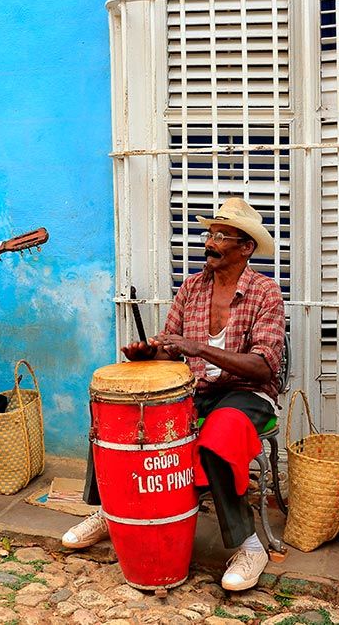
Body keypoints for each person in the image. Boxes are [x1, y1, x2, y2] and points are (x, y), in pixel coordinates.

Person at [62, 196, 285, 592]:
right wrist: (151, 353)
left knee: (219, 434)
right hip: (195, 388)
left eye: (221, 235)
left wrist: (200, 348)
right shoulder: (193, 287)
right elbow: (171, 348)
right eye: (209, 233)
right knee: (116, 419)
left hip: (247, 393)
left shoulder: (266, 292)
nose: (210, 242)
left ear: (245, 247)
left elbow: (264, 365)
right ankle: (109, 512)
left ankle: (248, 545)